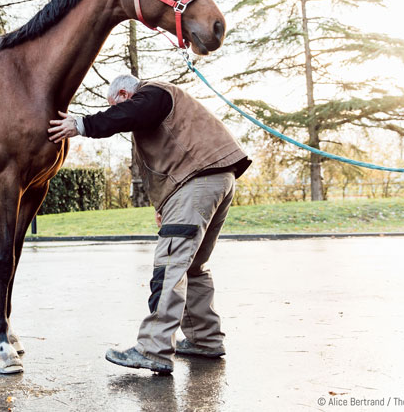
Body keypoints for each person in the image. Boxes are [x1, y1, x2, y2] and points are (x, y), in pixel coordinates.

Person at [47, 74, 251, 375]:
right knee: (192, 266)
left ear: (125, 93)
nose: (116, 110)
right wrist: (164, 206)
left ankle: (153, 349)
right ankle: (205, 340)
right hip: (216, 179)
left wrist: (82, 125)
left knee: (169, 266)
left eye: (115, 103)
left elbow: (129, 113)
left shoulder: (152, 93)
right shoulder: (164, 105)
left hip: (196, 181)